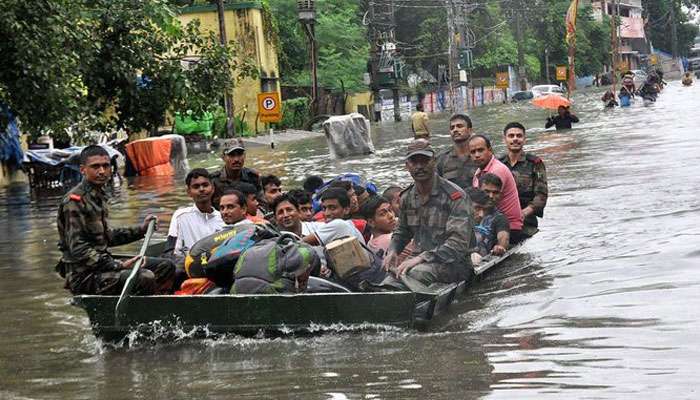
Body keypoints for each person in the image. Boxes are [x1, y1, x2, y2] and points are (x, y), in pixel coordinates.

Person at [56, 145, 175, 295]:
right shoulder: (75, 201)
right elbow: (78, 249)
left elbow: (106, 237)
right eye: (95, 167)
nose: (102, 171)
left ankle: (159, 306)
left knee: (165, 266)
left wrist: (141, 230)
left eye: (106, 166)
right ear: (82, 169)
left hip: (101, 265)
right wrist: (117, 265)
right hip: (84, 275)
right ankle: (142, 315)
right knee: (144, 277)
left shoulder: (98, 195)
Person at [382, 139, 475, 290]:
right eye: (414, 162)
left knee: (416, 275)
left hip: (453, 264)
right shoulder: (407, 197)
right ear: (407, 166)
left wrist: (421, 258)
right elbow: (402, 231)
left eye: (424, 161)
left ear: (434, 161)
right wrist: (393, 251)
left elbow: (458, 244)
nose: (419, 167)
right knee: (387, 282)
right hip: (419, 260)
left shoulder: (455, 196)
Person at [469, 135, 524, 243]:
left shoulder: (497, 170)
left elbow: (485, 204)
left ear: (490, 150)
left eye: (480, 150)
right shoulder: (478, 172)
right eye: (473, 152)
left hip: (507, 227)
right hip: (489, 224)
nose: (477, 155)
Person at [498, 122, 548, 236]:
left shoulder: (535, 163)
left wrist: (523, 213)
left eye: (519, 136)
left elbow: (541, 196)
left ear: (524, 139)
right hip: (500, 218)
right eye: (511, 136)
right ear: (504, 139)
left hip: (526, 220)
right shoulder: (498, 164)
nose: (515, 139)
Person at [167, 168, 225, 260]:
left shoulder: (223, 218)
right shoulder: (180, 216)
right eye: (196, 186)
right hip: (188, 266)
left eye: (205, 185)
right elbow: (172, 251)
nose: (201, 189)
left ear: (213, 188)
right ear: (189, 192)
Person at [211, 139, 261, 208]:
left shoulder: (252, 177)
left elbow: (262, 202)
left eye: (239, 154)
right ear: (223, 157)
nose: (236, 159)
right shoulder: (213, 181)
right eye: (231, 155)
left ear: (245, 156)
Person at [436, 113, 478, 193]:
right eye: (452, 128)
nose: (455, 130)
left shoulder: (479, 155)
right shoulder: (441, 159)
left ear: (470, 130)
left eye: (459, 126)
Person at [469, 190, 509, 264]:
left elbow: (503, 240)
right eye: (477, 208)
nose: (481, 214)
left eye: (483, 209)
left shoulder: (499, 218)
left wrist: (499, 247)